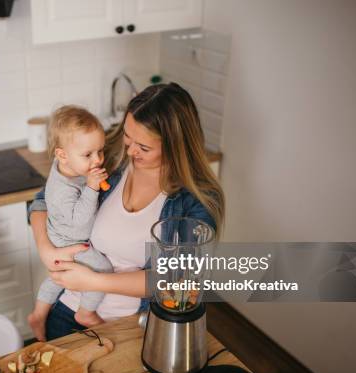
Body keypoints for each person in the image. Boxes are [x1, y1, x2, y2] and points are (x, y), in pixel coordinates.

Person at [28, 83, 225, 340]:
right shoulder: (108, 157)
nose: (131, 151)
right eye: (127, 137)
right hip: (66, 309)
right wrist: (46, 249)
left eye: (143, 148)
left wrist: (94, 282)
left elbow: (180, 282)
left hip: (131, 327)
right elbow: (43, 200)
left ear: (176, 146)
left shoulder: (196, 201)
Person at [27, 106, 114, 342]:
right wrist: (92, 188)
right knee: (103, 269)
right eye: (88, 155)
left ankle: (38, 313)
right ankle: (85, 313)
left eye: (100, 151)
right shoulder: (62, 191)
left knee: (57, 274)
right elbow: (80, 227)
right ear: (62, 154)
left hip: (59, 235)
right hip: (71, 239)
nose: (97, 160)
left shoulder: (67, 168)